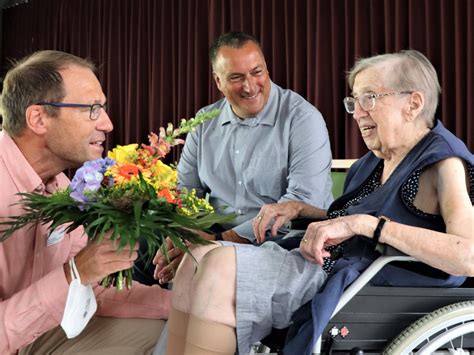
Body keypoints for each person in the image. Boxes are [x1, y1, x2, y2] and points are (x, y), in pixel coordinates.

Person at [164, 49, 474, 355]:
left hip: (364, 282)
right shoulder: (375, 161)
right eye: (354, 102)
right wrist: (300, 209)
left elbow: (468, 256)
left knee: (218, 265)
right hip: (329, 264)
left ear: (413, 104)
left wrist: (365, 225)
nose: (357, 112)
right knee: (198, 257)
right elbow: (351, 216)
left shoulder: (442, 162)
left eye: (370, 98)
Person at [0, 50, 170, 355]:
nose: (107, 124)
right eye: (92, 109)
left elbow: (91, 290)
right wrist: (73, 274)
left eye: (102, 108)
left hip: (42, 332)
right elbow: (76, 279)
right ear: (38, 117)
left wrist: (184, 302)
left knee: (172, 333)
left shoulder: (61, 186)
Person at [150, 31, 333, 285]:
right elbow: (184, 193)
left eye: (257, 72)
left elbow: (301, 202)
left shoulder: (302, 118)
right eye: (236, 78)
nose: (249, 86)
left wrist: (212, 245)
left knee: (202, 275)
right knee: (144, 250)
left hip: (283, 243)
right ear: (218, 81)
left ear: (267, 69)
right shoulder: (204, 123)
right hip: (212, 238)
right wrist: (188, 235)